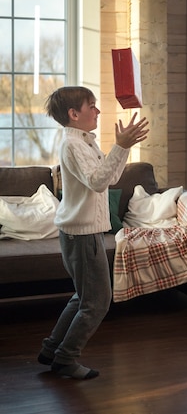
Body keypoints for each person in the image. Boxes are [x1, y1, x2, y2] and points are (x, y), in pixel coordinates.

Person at [38, 86, 149, 379]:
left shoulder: (85, 143)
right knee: (97, 303)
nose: (97, 110)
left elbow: (110, 177)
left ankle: (51, 350)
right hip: (82, 236)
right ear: (74, 114)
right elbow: (97, 182)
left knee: (82, 298)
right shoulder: (73, 146)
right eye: (92, 105)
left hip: (86, 234)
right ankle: (65, 358)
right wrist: (120, 145)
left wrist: (123, 146)